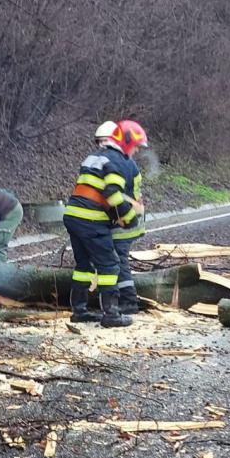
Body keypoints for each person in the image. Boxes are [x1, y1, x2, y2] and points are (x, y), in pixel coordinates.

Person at [63, 120, 148, 327]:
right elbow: (112, 192)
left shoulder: (95, 157)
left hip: (74, 215)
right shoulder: (118, 162)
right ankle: (111, 314)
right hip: (92, 219)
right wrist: (129, 218)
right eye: (136, 146)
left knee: (84, 266)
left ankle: (79, 311)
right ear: (127, 142)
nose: (136, 151)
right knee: (110, 265)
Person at [95, 119, 146, 314]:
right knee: (117, 258)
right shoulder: (121, 160)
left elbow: (113, 194)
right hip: (125, 215)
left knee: (119, 260)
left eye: (104, 142)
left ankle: (129, 301)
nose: (101, 147)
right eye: (98, 142)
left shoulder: (119, 162)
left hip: (125, 218)